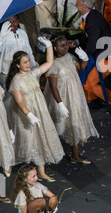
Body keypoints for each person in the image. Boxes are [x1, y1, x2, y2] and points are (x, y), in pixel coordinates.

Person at [6, 38, 65, 182]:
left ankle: (41, 172)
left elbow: (50, 63)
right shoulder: (16, 81)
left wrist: (49, 46)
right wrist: (29, 115)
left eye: (28, 61)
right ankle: (14, 167)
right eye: (25, 62)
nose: (28, 64)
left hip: (39, 112)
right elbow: (19, 102)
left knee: (40, 139)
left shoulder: (33, 73)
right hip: (24, 115)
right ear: (18, 65)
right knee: (26, 141)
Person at [44, 34, 99, 164]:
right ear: (55, 48)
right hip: (61, 97)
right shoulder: (53, 64)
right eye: (62, 46)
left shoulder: (70, 57)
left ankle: (75, 155)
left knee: (75, 123)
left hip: (74, 95)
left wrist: (84, 58)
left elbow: (81, 68)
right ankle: (49, 154)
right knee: (58, 125)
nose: (66, 48)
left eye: (66, 45)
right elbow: (53, 87)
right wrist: (60, 104)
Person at [74, 0, 111, 110]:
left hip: (109, 56)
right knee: (87, 78)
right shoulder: (92, 15)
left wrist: (84, 56)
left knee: (89, 83)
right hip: (103, 54)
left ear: (84, 6)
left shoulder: (92, 21)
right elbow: (90, 37)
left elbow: (92, 44)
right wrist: (76, 42)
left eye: (77, 3)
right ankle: (92, 101)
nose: (75, 5)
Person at [0, 15, 39, 90]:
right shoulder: (3, 35)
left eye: (14, 22)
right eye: (8, 22)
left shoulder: (22, 33)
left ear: (18, 21)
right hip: (7, 70)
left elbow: (28, 50)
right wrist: (1, 36)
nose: (11, 25)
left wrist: (33, 64)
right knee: (9, 93)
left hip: (23, 69)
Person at [0, 83, 15, 203]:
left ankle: (1, 192)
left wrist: (9, 130)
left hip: (1, 128)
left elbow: (3, 110)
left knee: (2, 158)